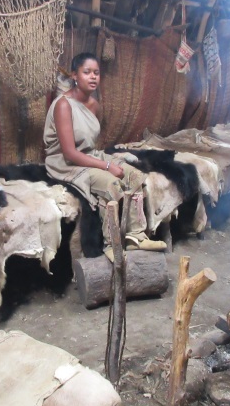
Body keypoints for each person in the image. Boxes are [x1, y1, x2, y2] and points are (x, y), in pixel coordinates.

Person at [43, 53, 166, 261]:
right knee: (111, 184)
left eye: (96, 73)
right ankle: (112, 243)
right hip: (65, 163)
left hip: (88, 155)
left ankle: (135, 236)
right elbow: (70, 153)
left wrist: (104, 162)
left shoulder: (94, 105)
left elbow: (89, 146)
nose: (93, 77)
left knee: (135, 176)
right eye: (87, 72)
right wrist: (107, 166)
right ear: (74, 75)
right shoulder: (63, 105)